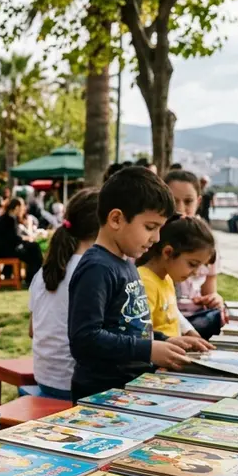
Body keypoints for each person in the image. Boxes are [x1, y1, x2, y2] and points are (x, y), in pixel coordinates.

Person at [68, 167, 189, 401]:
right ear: (116, 219)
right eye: (150, 227)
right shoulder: (97, 268)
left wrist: (166, 341)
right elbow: (84, 339)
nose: (156, 238)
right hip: (102, 395)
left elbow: (131, 326)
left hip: (131, 387)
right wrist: (149, 350)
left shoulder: (126, 263)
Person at [28, 189, 99, 400]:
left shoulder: (44, 271)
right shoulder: (93, 271)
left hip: (46, 378)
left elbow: (32, 330)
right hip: (77, 386)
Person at [136, 216, 219, 346]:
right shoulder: (145, 282)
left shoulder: (167, 278)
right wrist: (171, 342)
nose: (196, 272)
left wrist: (190, 331)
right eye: (192, 264)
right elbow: (141, 332)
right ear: (168, 252)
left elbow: (172, 312)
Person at [166, 170, 225, 338]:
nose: (180, 208)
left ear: (198, 202)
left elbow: (209, 291)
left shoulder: (207, 241)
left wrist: (213, 299)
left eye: (188, 201)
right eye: (173, 201)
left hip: (196, 317)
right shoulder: (150, 240)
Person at [0, 197, 43, 283]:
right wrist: (27, 239)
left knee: (32, 248)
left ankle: (28, 277)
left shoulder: (6, 217)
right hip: (3, 251)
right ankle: (33, 278)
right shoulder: (10, 219)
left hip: (0, 249)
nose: (22, 210)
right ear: (16, 207)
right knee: (34, 249)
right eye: (21, 208)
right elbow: (13, 239)